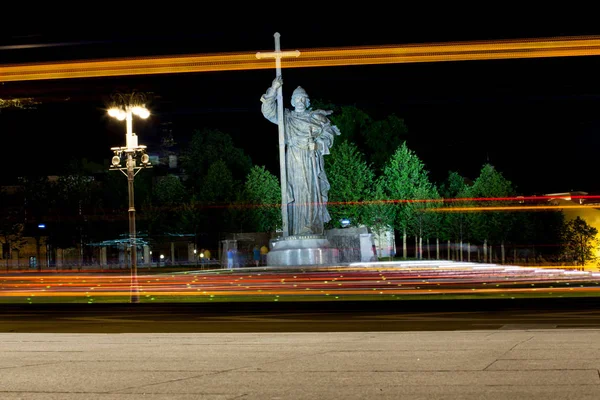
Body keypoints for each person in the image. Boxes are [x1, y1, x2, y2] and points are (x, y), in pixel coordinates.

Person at [261, 76, 341, 236]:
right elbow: (268, 112)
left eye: (303, 98)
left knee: (310, 191)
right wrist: (273, 89)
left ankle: (311, 226)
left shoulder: (316, 118)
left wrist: (318, 145)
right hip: (293, 159)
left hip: (310, 158)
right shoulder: (287, 117)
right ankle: (294, 229)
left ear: (308, 101)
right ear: (291, 101)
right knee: (296, 192)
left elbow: (329, 135)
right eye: (297, 98)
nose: (300, 101)